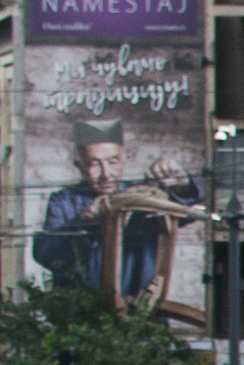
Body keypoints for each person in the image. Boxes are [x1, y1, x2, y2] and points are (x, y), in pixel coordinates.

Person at [31, 120, 201, 300]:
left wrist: (183, 186)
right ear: (79, 166)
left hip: (139, 312)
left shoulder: (141, 197)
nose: (106, 174)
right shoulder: (64, 201)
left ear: (124, 160)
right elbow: (44, 254)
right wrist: (83, 222)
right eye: (94, 164)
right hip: (80, 314)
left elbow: (184, 211)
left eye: (113, 162)